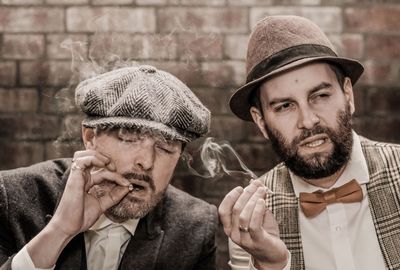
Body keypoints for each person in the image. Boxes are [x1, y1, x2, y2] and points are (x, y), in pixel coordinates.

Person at [218, 15, 400, 270]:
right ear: (261, 122)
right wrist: (272, 264)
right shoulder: (253, 221)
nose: (308, 120)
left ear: (348, 95)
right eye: (285, 106)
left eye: (320, 95)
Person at [0, 65, 218, 270]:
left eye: (165, 147)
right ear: (90, 137)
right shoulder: (11, 197)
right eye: (130, 138)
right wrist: (59, 231)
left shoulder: (196, 227)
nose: (147, 162)